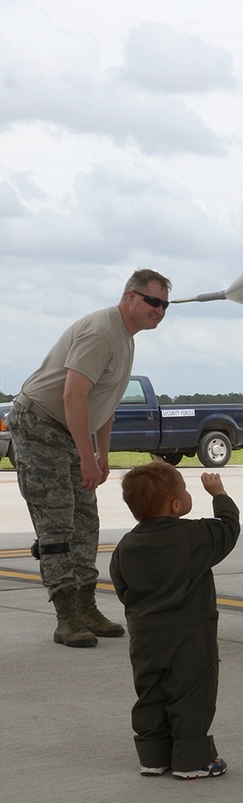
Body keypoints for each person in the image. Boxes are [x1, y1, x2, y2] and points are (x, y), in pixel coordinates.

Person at [8, 268, 172, 647]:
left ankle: (87, 607)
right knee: (57, 526)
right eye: (153, 301)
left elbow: (105, 402)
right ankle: (66, 618)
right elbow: (72, 396)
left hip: (71, 432)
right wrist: (86, 456)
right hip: (41, 425)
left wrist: (102, 453)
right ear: (130, 297)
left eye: (164, 304)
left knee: (86, 522)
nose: (160, 310)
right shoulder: (102, 331)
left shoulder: (127, 338)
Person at [110, 463, 240, 779]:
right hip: (191, 632)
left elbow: (121, 585)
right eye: (184, 489)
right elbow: (228, 528)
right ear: (176, 505)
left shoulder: (126, 544)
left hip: (145, 634)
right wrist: (219, 494)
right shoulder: (194, 535)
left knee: (150, 692)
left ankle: (153, 756)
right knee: (192, 692)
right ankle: (192, 760)